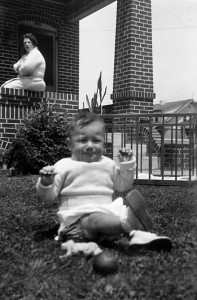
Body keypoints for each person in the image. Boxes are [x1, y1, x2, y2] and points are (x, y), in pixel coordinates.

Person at [36, 112, 172, 256]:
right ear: (70, 145)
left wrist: (126, 165)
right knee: (96, 219)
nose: (89, 146)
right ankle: (130, 223)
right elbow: (48, 196)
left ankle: (141, 237)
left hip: (107, 218)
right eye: (82, 140)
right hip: (77, 226)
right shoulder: (64, 165)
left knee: (114, 213)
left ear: (103, 143)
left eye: (96, 141)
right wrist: (46, 183)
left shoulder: (108, 164)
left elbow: (122, 186)